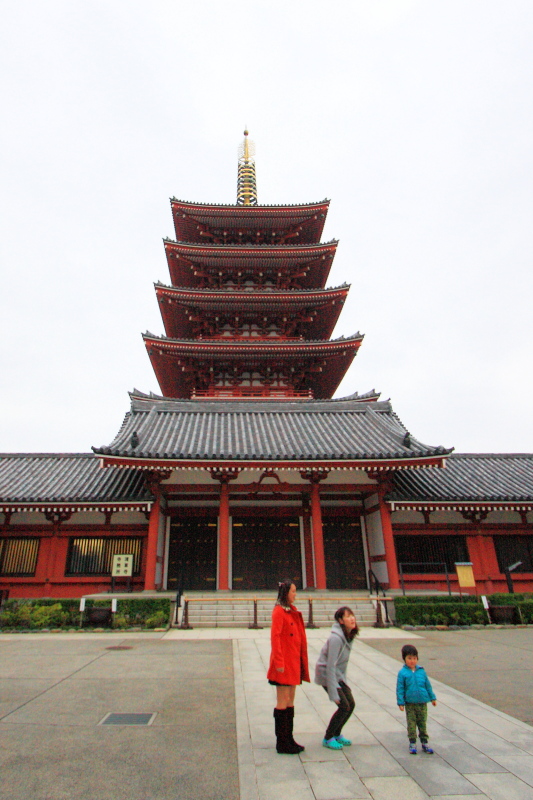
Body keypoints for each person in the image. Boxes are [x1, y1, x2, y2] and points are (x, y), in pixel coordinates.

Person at [267, 579, 310, 754]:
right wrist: (278, 662)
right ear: (286, 593)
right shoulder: (279, 612)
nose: (295, 594)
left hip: (293, 662)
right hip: (283, 663)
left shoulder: (291, 611)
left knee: (291, 701)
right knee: (282, 701)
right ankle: (281, 741)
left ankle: (289, 738)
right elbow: (275, 637)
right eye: (293, 591)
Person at [315, 606, 359, 749]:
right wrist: (334, 691)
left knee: (351, 704)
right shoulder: (336, 639)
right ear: (340, 621)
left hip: (338, 675)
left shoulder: (349, 634)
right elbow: (331, 665)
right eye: (347, 616)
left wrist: (343, 683)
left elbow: (342, 664)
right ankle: (328, 738)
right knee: (343, 706)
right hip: (326, 673)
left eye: (352, 615)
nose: (352, 619)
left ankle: (337, 733)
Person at [396, 643, 437, 754]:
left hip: (422, 702)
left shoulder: (421, 671)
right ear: (404, 659)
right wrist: (400, 702)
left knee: (422, 722)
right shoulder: (403, 673)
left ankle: (424, 741)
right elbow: (400, 688)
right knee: (411, 723)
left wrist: (432, 698)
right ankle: (412, 742)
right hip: (410, 703)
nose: (412, 661)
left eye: (414, 658)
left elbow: (427, 685)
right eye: (409, 658)